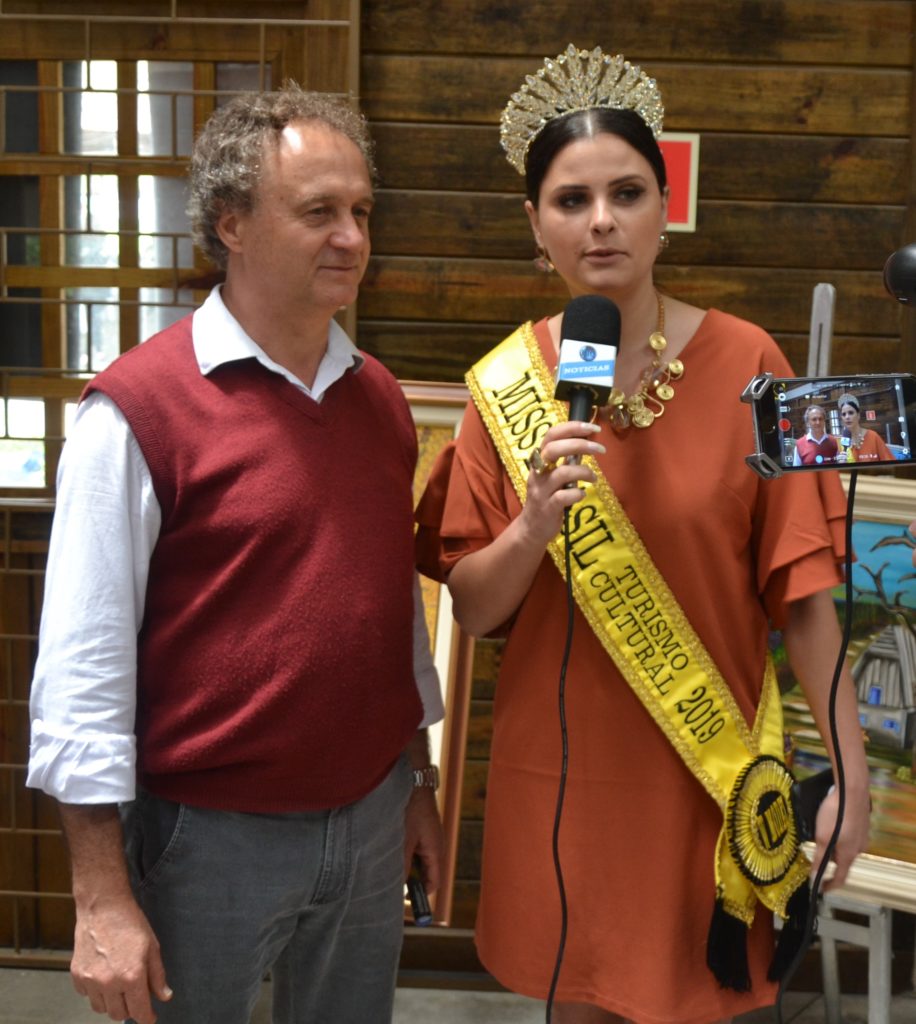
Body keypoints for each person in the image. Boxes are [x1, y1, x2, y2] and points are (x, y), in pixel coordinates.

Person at [415, 45, 870, 1024]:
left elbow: (804, 598)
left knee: (697, 999)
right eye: (571, 200)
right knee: (578, 999)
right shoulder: (504, 387)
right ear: (535, 225)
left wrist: (851, 772)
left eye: (626, 193)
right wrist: (533, 522)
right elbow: (476, 610)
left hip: (704, 771)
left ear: (666, 207)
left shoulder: (749, 363)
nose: (601, 220)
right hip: (561, 774)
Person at [27, 86, 445, 1024]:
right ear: (232, 224)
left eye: (362, 210)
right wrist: (100, 898)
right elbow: (82, 671)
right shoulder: (135, 412)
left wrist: (415, 784)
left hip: (370, 821)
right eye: (318, 211)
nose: (351, 237)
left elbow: (391, 622)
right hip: (206, 841)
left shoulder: (378, 399)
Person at [836, 392, 894, 463]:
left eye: (851, 413)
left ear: (858, 415)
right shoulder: (840, 443)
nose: (847, 417)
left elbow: (891, 464)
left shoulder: (873, 436)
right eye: (844, 414)